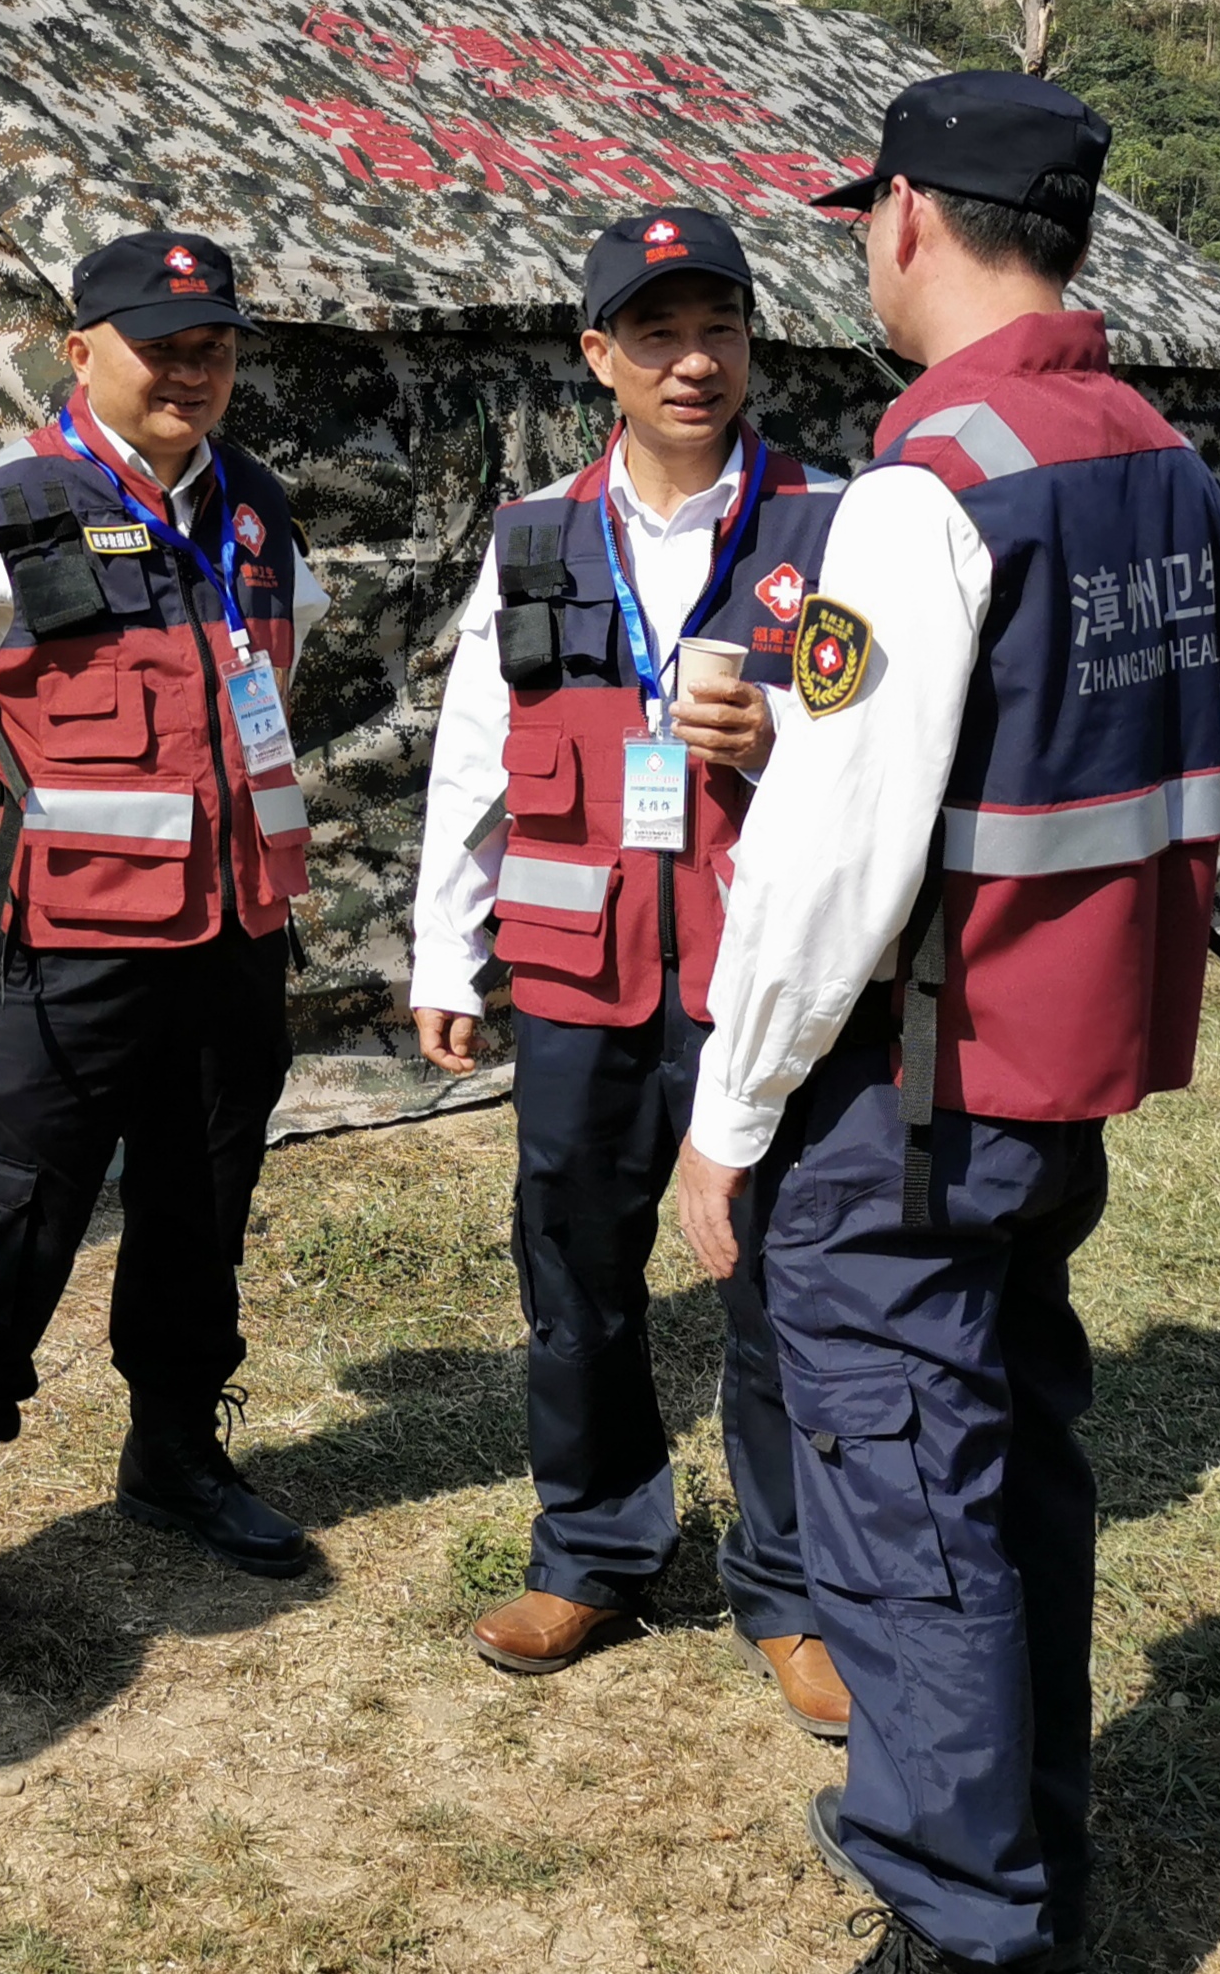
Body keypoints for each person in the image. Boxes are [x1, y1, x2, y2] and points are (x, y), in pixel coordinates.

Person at [672, 75, 1220, 1974]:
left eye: (864, 217)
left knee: (904, 1501)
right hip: (1052, 1076)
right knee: (1013, 1460)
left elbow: (828, 860)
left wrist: (729, 1113)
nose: (860, 246)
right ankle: (1034, 1851)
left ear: (912, 216)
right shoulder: (1159, 455)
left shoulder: (925, 491)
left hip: (898, 1096)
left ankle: (961, 1922)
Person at [0, 228, 329, 1681]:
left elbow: (287, 663)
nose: (189, 365)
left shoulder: (261, 511)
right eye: (158, 341)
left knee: (200, 1210)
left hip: (233, 943)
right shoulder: (3, 510)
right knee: (12, 1230)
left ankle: (171, 1458)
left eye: (211, 340)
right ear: (77, 344)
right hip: (69, 951)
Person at [409, 206, 853, 1732]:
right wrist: (441, 949)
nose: (691, 360)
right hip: (581, 975)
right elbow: (475, 753)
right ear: (598, 356)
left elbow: (906, 746)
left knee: (778, 1285)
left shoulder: (834, 523)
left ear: (752, 342)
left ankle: (791, 1590)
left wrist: (784, 738)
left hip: (763, 983)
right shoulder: (537, 534)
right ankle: (594, 1545)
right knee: (577, 1277)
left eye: (716, 327)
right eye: (653, 333)